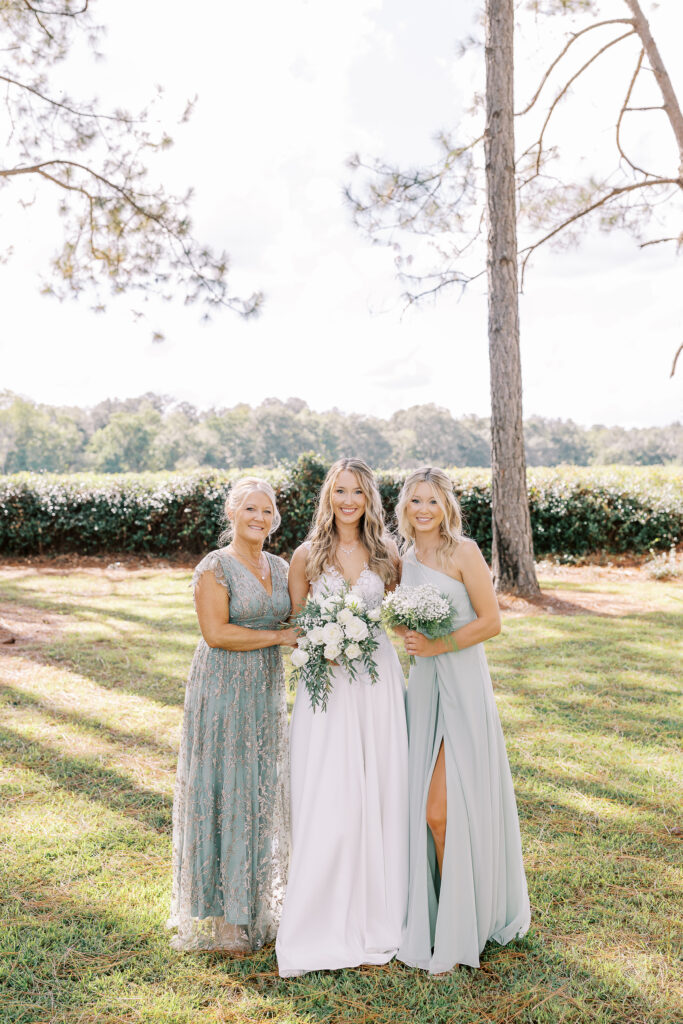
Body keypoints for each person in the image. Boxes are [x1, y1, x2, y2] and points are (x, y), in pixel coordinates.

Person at [276, 458, 409, 977]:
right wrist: (322, 640)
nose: (348, 500)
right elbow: (296, 618)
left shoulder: (387, 553)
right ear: (328, 498)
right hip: (326, 683)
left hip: (376, 681)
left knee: (379, 785)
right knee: (330, 788)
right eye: (340, 492)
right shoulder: (307, 555)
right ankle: (324, 912)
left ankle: (382, 907)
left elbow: (396, 613)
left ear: (369, 498)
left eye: (357, 492)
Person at [395, 467, 530, 974]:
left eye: (432, 501)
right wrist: (407, 632)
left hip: (462, 685)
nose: (423, 509)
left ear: (446, 505)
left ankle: (462, 926)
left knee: (442, 811)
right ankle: (437, 916)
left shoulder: (463, 551)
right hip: (424, 688)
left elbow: (491, 621)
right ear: (404, 508)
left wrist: (437, 643)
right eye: (414, 501)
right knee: (425, 808)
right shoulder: (407, 558)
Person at [168, 477, 299, 952]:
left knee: (259, 788)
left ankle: (255, 903)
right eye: (250, 508)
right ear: (232, 513)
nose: (259, 517)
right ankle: (225, 918)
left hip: (264, 690)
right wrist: (280, 639)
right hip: (222, 688)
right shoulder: (215, 566)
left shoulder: (282, 567)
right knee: (225, 790)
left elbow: (295, 618)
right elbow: (217, 633)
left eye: (267, 510)